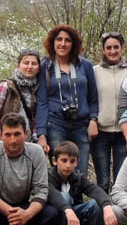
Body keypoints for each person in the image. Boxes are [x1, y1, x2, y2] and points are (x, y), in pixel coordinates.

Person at [36, 25, 99, 175]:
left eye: (67, 40)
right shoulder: (46, 67)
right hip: (55, 124)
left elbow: (93, 98)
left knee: (81, 173)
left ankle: (77, 192)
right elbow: (42, 102)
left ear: (73, 43)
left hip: (81, 125)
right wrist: (41, 134)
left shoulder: (85, 66)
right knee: (60, 172)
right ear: (53, 42)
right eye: (59, 39)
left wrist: (93, 120)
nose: (63, 44)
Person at [91, 33, 127, 199]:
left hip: (124, 132)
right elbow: (90, 98)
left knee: (121, 180)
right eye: (108, 48)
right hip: (101, 131)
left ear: (122, 48)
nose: (112, 51)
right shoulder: (95, 71)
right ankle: (102, 213)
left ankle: (121, 212)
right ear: (103, 50)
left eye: (116, 47)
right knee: (102, 180)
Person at [48, 141, 107, 225]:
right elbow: (53, 195)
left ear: (77, 162)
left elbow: (94, 189)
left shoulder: (78, 177)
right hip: (55, 220)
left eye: (72, 161)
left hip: (74, 219)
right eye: (64, 160)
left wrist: (107, 205)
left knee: (95, 205)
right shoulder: (48, 176)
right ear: (55, 161)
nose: (68, 165)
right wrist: (67, 209)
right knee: (64, 197)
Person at [0, 49, 40, 136]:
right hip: (7, 138)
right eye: (26, 63)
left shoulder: (37, 89)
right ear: (18, 66)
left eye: (34, 64)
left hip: (29, 139)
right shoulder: (6, 86)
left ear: (38, 68)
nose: (30, 67)